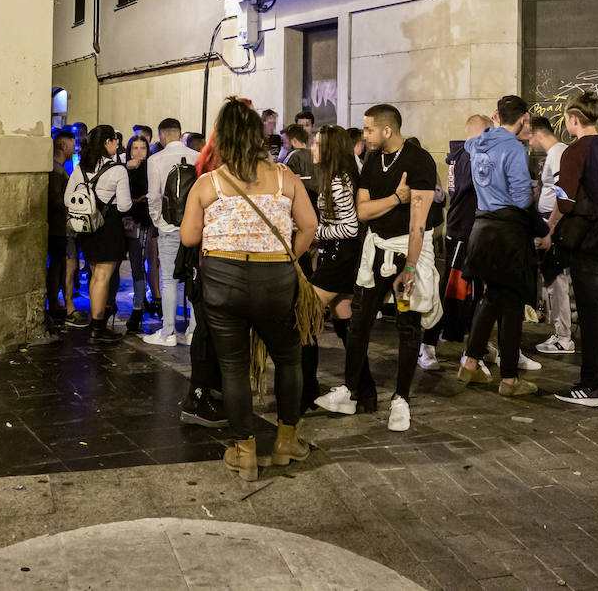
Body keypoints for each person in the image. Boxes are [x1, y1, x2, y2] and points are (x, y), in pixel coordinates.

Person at [180, 97, 318, 481]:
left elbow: (189, 237)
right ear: (259, 137)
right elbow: (309, 225)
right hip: (276, 281)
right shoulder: (285, 178)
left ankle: (245, 453)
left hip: (223, 282)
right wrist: (288, 256)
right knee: (288, 359)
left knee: (233, 367)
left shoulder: (208, 184)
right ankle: (286, 442)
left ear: (222, 138)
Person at [316, 104, 439, 432]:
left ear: (387, 130)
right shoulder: (373, 160)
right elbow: (362, 211)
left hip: (407, 251)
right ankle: (351, 390)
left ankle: (401, 399)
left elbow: (418, 222)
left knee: (407, 326)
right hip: (375, 249)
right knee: (359, 322)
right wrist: (396, 199)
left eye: (369, 129)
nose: (364, 134)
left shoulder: (419, 161)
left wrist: (410, 268)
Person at [544, 92, 598, 407]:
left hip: (592, 242)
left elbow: (565, 202)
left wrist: (550, 226)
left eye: (566, 119)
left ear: (574, 119)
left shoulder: (575, 151)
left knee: (590, 316)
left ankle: (589, 386)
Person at [457, 96, 545, 397]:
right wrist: (534, 194)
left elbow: (469, 145)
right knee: (505, 300)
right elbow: (520, 199)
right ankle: (502, 376)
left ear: (497, 115)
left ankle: (483, 366)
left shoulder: (476, 143)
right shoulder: (514, 149)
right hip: (507, 233)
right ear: (522, 119)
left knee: (500, 300)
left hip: (482, 229)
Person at [299, 124, 370, 413]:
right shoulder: (337, 176)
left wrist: (315, 234)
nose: (312, 148)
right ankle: (363, 391)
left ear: (330, 149)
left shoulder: (338, 181)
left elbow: (350, 227)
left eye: (317, 144)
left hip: (339, 258)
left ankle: (306, 392)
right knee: (344, 324)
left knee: (303, 317)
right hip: (339, 257)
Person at [419, 114, 487, 371]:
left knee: (476, 293)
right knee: (451, 291)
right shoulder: (468, 157)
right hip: (462, 232)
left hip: (470, 230)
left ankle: (475, 345)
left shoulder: (464, 155)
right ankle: (427, 344)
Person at [64, 124, 131, 344]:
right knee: (103, 277)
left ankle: (96, 323)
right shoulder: (118, 170)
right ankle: (97, 328)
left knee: (95, 276)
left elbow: (67, 199)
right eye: (114, 139)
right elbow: (124, 206)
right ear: (107, 143)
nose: (117, 143)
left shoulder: (81, 168)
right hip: (108, 227)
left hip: (86, 227)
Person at [145, 118, 200, 346]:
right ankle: (193, 332)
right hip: (194, 227)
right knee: (194, 278)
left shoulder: (155, 159)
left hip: (169, 227)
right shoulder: (198, 158)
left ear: (162, 135)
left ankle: (168, 333)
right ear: (179, 133)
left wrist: (159, 221)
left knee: (168, 279)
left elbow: (154, 196)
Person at [530, 116, 575, 355]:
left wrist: (551, 225)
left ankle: (563, 338)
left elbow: (562, 191)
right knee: (555, 281)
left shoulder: (557, 153)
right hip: (550, 220)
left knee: (557, 282)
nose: (530, 144)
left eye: (530, 138)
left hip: (553, 223)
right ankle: (562, 334)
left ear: (538, 134)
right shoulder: (557, 153)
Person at [122, 136, 157, 336]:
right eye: (134, 148)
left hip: (141, 221)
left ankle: (137, 309)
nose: (138, 152)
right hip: (123, 220)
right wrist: (126, 168)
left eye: (142, 148)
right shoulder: (122, 168)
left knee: (137, 264)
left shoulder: (151, 168)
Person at [46, 130, 76, 332]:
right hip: (58, 227)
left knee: (58, 264)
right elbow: (56, 199)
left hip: (60, 226)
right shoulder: (57, 171)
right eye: (72, 145)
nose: (74, 149)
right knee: (57, 265)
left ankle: (55, 301)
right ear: (64, 146)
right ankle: (54, 302)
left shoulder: (59, 168)